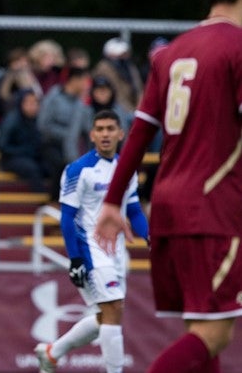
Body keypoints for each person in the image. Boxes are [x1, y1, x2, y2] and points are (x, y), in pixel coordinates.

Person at [95, 0, 242, 373]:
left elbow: (140, 131)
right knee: (215, 334)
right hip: (213, 208)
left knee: (203, 331)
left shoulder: (173, 51)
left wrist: (111, 201)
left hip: (171, 206)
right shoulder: (236, 48)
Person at [34, 110, 149, 373]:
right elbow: (67, 217)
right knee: (113, 309)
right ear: (92, 135)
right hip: (91, 250)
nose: (105, 134)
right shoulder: (78, 170)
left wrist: (150, 237)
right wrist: (75, 258)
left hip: (117, 252)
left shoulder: (127, 168)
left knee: (106, 315)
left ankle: (53, 353)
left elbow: (133, 210)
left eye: (111, 129)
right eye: (100, 129)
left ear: (121, 134)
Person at [38, 67, 91, 201]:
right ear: (74, 80)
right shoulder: (54, 96)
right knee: (61, 164)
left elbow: (86, 129)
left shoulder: (81, 102)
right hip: (50, 144)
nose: (86, 85)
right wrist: (68, 135)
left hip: (72, 146)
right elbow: (43, 125)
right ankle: (54, 201)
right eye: (84, 81)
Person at [0, 90, 45, 192]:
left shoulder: (39, 120)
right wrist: (24, 151)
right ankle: (40, 199)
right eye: (30, 102)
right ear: (21, 103)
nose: (33, 106)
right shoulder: (12, 120)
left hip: (32, 157)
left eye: (35, 102)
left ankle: (55, 200)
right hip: (11, 159)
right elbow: (2, 146)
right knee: (31, 168)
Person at [92, 37, 144, 113]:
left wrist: (139, 110)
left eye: (124, 54)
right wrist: (130, 112)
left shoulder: (130, 67)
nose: (123, 57)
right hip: (116, 110)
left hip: (133, 110)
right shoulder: (104, 68)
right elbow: (116, 95)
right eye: (120, 55)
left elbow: (138, 90)